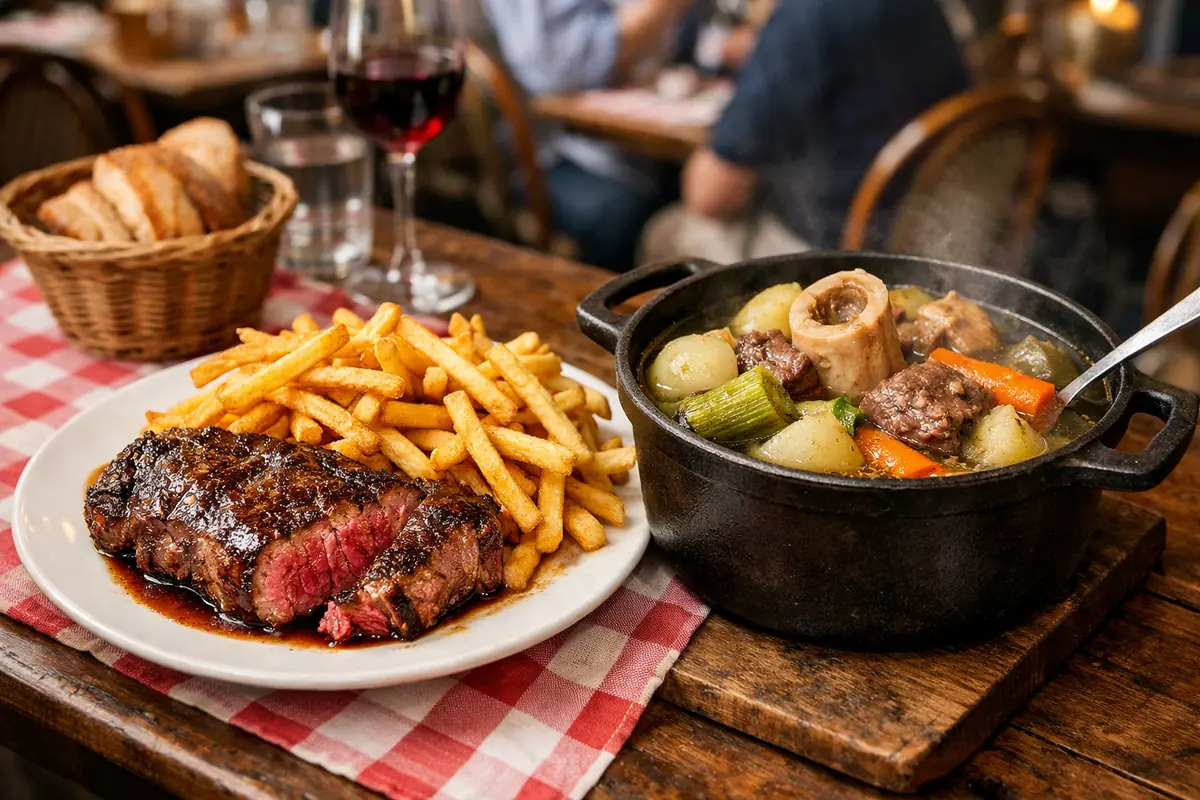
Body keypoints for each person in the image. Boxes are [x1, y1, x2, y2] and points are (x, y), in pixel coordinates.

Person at [640, 0, 971, 264]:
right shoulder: (930, 8)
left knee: (664, 232)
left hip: (837, 252)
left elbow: (709, 195)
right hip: (922, 237)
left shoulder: (807, 14)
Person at [482, 0, 695, 271]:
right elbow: (554, 74)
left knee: (702, 195)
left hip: (643, 147)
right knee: (625, 215)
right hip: (552, 153)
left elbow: (693, 39)